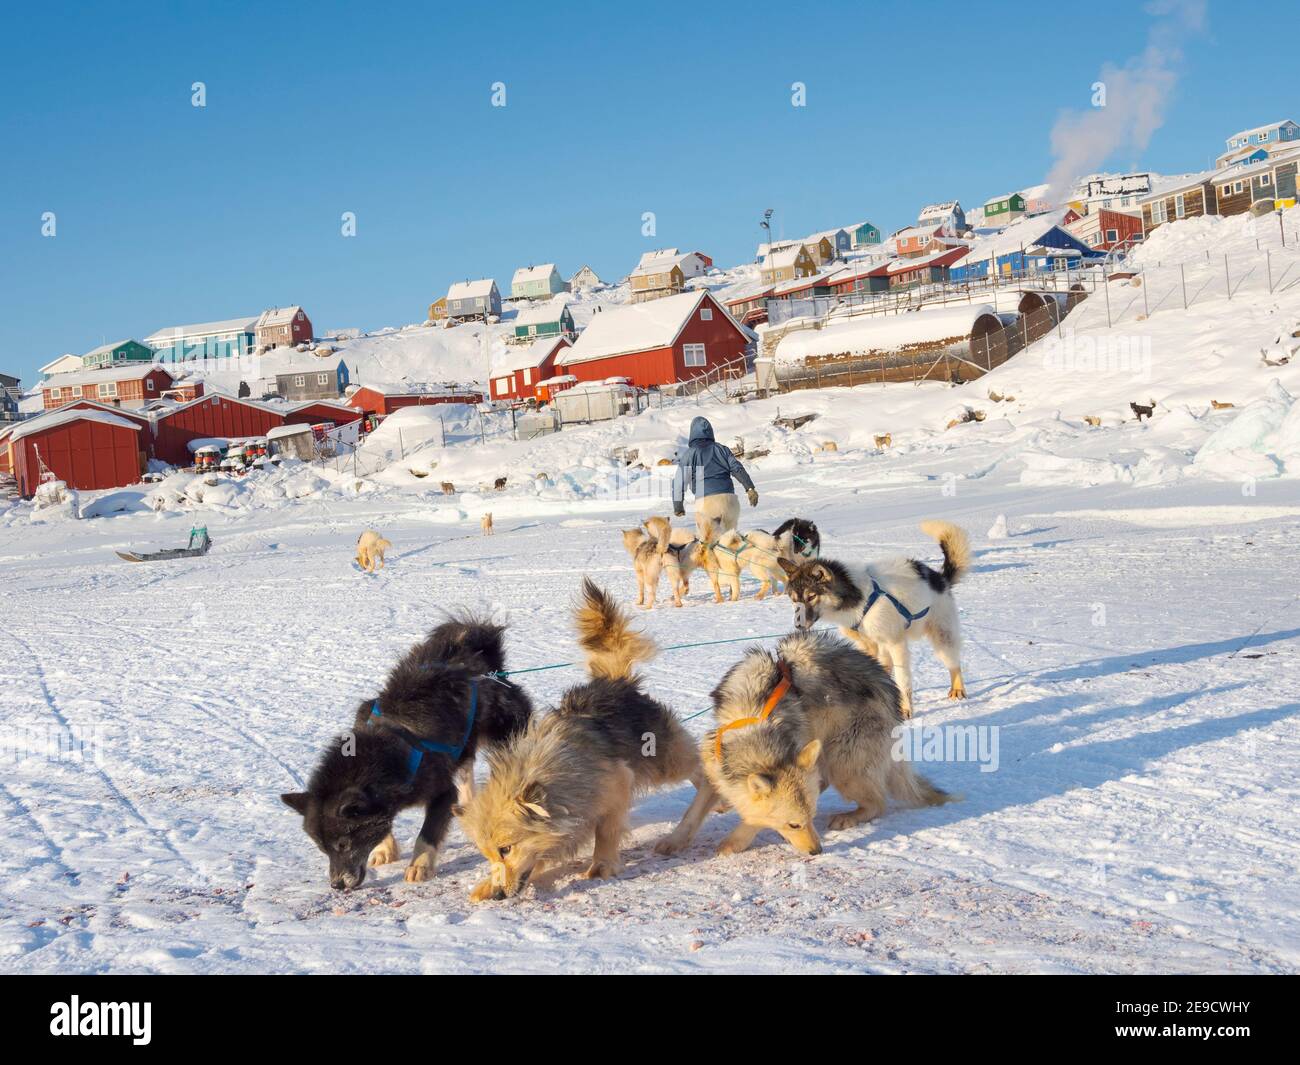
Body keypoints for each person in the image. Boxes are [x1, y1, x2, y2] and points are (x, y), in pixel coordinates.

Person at [671, 416, 758, 541]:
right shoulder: (722, 450)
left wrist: (678, 506)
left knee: (708, 545)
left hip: (706, 503)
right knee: (731, 543)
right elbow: (737, 469)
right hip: (730, 502)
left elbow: (679, 482)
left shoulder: (690, 454)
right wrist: (750, 488)